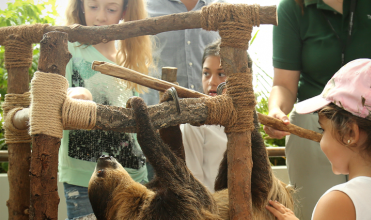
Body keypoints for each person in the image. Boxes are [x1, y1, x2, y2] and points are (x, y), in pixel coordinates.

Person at [266, 0, 371, 218]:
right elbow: (283, 84)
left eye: (321, 132)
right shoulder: (292, 8)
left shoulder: (335, 202)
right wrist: (276, 110)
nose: (320, 137)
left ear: (350, 134)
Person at [60, 0, 153, 219]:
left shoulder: (130, 57)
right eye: (93, 6)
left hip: (134, 177)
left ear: (124, 11)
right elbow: (52, 94)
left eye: (111, 9)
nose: (101, 17)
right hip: (85, 179)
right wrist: (74, 93)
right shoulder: (67, 49)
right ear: (81, 6)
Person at [141, 0, 223, 180]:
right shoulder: (144, 9)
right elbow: (131, 61)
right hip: (159, 136)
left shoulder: (221, 8)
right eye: (207, 74)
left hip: (212, 131)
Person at [180, 40, 252, 192]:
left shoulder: (248, 119)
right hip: (211, 210)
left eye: (221, 74)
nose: (212, 82)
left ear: (243, 79)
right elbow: (194, 182)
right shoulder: (194, 123)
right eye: (206, 73)